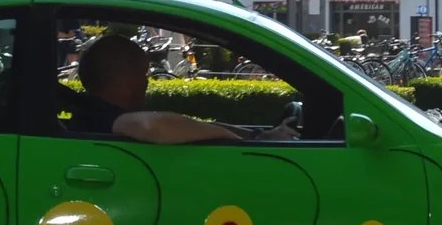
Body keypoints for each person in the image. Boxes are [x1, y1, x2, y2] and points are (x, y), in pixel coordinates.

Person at [72, 34, 294, 144]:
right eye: (143, 74)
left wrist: (258, 136)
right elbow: (153, 125)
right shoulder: (105, 118)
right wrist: (238, 143)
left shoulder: (91, 110)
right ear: (125, 80)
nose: (147, 82)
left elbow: (198, 126)